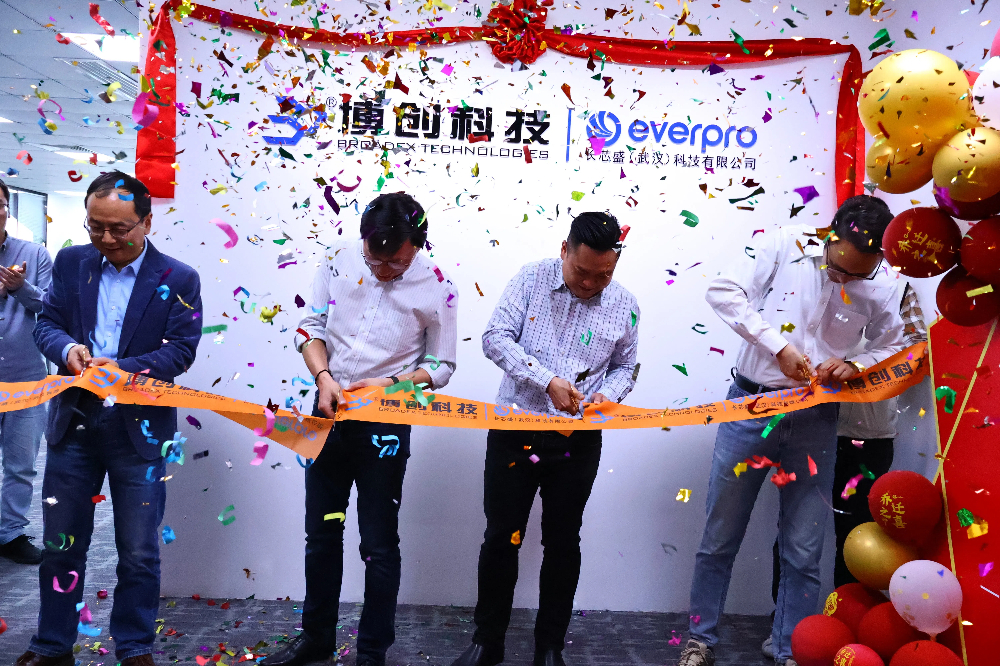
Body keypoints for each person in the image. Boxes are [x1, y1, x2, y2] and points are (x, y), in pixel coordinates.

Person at [677, 195, 906, 666]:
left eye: (857, 276)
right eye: (837, 269)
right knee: (720, 537)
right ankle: (701, 641)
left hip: (816, 420)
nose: (844, 280)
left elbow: (895, 342)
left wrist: (857, 363)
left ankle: (789, 649)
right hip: (751, 408)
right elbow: (723, 291)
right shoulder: (784, 243)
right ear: (830, 235)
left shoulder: (883, 281)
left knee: (803, 548)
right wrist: (777, 346)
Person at [262, 192, 458, 666]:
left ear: (418, 245)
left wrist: (392, 384)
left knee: (378, 545)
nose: (383, 271)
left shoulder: (438, 285)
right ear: (363, 240)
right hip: (326, 413)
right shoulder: (337, 258)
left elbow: (442, 365)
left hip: (385, 426)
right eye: (375, 259)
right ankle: (316, 639)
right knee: (321, 536)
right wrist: (323, 377)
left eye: (397, 263)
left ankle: (372, 652)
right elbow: (310, 326)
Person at [16, 171, 202, 666]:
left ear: (146, 222)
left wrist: (123, 369)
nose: (106, 238)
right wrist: (69, 350)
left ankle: (135, 646)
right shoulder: (72, 262)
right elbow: (48, 323)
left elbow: (182, 350)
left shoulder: (178, 277)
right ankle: (52, 644)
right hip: (74, 424)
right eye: (95, 226)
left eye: (119, 228)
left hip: (140, 432)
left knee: (139, 551)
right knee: (61, 545)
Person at [451, 211, 639, 666]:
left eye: (603, 275)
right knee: (502, 537)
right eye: (582, 271)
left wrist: (607, 396)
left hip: (578, 439)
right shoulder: (530, 279)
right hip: (516, 429)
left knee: (563, 542)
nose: (591, 283)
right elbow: (495, 338)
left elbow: (626, 367)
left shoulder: (626, 303)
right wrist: (546, 380)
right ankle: (487, 642)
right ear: (564, 250)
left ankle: (550, 647)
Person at [762, 283, 927, 658]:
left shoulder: (898, 287)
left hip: (867, 434)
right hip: (806, 425)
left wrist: (860, 364)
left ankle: (850, 629)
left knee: (858, 539)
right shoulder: (810, 278)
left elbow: (919, 352)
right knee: (795, 532)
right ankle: (786, 628)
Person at [0, 178, 52, 565]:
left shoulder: (34, 254)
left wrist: (21, 288)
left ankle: (11, 533)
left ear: (7, 210)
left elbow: (53, 307)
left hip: (26, 379)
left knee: (21, 466)